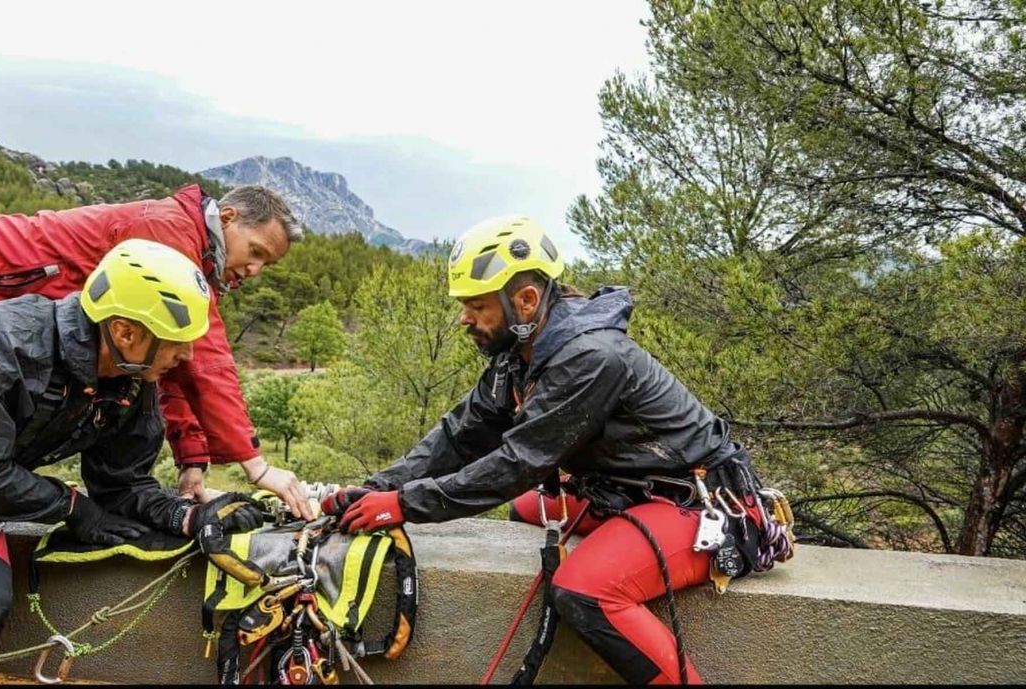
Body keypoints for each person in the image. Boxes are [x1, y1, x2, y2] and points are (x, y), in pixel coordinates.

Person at [323, 216, 782, 685]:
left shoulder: (590, 357)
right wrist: (376, 488)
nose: (464, 318)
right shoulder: (520, 354)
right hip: (628, 491)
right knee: (526, 512)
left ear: (524, 301)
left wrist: (401, 505)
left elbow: (518, 463)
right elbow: (461, 435)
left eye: (476, 305)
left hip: (700, 504)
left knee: (583, 591)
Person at [0, 239, 265, 672]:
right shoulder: (5, 336)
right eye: (176, 341)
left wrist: (184, 517)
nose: (186, 355)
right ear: (125, 332)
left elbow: (122, 485)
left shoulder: (132, 382)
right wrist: (72, 507)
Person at [0, 184, 313, 518]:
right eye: (255, 252)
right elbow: (208, 360)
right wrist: (255, 465)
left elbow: (172, 363)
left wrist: (192, 459)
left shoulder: (191, 264)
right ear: (227, 218)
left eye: (265, 265)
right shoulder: (169, 231)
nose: (254, 271)